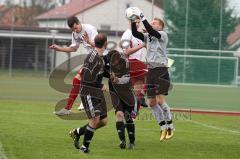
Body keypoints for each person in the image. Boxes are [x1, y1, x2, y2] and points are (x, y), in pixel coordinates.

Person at [131, 9, 174, 141]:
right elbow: (135, 33)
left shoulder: (162, 35)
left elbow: (152, 31)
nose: (152, 24)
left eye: (154, 23)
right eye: (152, 22)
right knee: (151, 102)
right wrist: (133, 21)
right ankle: (162, 127)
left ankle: (170, 126)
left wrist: (142, 17)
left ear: (160, 27)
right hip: (151, 71)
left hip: (161, 70)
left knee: (160, 101)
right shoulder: (149, 36)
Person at [49, 16, 98, 115]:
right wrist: (59, 48)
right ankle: (70, 108)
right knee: (77, 80)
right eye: (73, 29)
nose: (75, 30)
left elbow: (99, 45)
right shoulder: (75, 34)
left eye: (76, 28)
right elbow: (73, 49)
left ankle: (86, 102)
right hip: (90, 58)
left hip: (99, 57)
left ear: (79, 23)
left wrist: (88, 41)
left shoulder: (90, 29)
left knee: (82, 79)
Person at [69, 33, 108, 153]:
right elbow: (86, 78)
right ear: (106, 44)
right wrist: (101, 85)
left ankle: (78, 132)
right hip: (89, 91)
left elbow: (102, 72)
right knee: (95, 120)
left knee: (103, 121)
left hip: (96, 92)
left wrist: (112, 77)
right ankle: (84, 148)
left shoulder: (101, 57)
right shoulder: (92, 57)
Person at [107, 50, 137, 150]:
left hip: (127, 95)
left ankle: (132, 142)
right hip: (115, 95)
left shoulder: (125, 64)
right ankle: (122, 141)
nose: (113, 62)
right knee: (119, 114)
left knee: (128, 117)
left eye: (115, 60)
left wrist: (117, 80)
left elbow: (126, 80)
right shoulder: (107, 65)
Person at [121, 17, 148, 109]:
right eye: (134, 22)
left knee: (136, 94)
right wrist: (142, 45)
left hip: (138, 63)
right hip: (132, 62)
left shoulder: (137, 34)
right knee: (154, 73)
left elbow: (145, 47)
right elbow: (126, 52)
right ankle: (141, 96)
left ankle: (131, 118)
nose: (137, 24)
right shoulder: (127, 34)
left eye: (138, 22)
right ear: (130, 22)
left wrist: (147, 36)